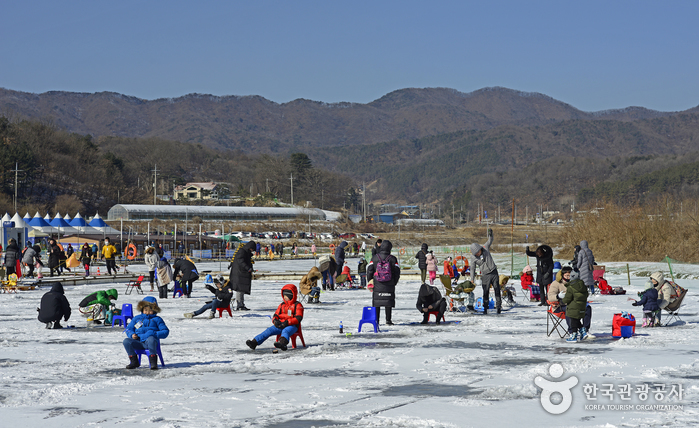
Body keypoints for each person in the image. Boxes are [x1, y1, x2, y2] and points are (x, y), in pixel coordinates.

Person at [246, 284, 304, 351]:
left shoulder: (298, 305)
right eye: (284, 295)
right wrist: (275, 321)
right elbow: (276, 315)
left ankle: (282, 344)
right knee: (269, 330)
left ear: (291, 296)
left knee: (286, 331)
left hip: (292, 326)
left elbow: (298, 318)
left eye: (286, 296)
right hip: (281, 324)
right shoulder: (282, 305)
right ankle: (254, 342)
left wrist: (287, 322)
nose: (284, 297)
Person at [123, 296, 169, 370]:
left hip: (151, 343)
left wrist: (154, 334)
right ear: (142, 309)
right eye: (145, 310)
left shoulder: (157, 319)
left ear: (154, 310)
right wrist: (132, 335)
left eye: (150, 310)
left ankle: (153, 362)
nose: (147, 312)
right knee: (126, 341)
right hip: (138, 342)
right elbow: (128, 329)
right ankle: (134, 361)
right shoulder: (137, 319)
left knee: (151, 339)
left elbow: (165, 331)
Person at [548, 266, 592, 336]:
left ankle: (585, 329)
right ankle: (572, 331)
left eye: (570, 275)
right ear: (562, 275)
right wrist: (558, 296)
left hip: (575, 303)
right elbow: (550, 297)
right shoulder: (556, 283)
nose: (568, 277)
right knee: (570, 309)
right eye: (566, 275)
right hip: (560, 305)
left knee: (587, 308)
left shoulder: (576, 282)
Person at [366, 239, 400, 325]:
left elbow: (369, 270)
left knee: (377, 302)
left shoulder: (375, 258)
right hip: (389, 283)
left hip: (377, 283)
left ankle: (376, 320)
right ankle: (388, 320)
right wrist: (394, 282)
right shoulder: (393, 259)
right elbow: (397, 272)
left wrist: (370, 280)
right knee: (388, 302)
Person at [470, 228, 501, 314]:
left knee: (497, 289)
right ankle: (485, 308)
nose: (478, 254)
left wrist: (490, 234)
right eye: (476, 253)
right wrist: (472, 279)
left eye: (478, 252)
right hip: (485, 275)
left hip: (493, 271)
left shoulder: (485, 247)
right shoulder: (473, 258)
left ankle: (499, 306)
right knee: (485, 291)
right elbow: (472, 268)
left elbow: (490, 240)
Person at [562, 271, 589, 342]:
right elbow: (587, 295)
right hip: (582, 307)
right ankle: (583, 331)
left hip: (573, 307)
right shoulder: (583, 286)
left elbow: (567, 298)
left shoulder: (571, 287)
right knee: (576, 320)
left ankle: (574, 336)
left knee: (573, 320)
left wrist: (562, 300)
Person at [229, 241, 256, 310]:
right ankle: (239, 305)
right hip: (239, 273)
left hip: (241, 273)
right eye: (252, 249)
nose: (252, 251)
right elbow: (240, 261)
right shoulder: (242, 251)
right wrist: (248, 268)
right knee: (240, 289)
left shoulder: (245, 252)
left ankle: (241, 304)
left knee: (241, 289)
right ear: (250, 247)